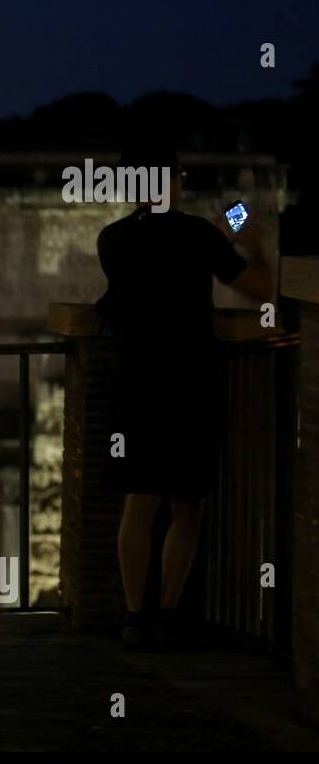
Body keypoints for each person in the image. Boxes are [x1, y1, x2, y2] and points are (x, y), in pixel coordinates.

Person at [95, 137, 273, 652]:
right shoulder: (200, 235)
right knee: (185, 505)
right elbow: (258, 285)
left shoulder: (112, 239)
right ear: (172, 180)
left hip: (136, 380)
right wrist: (252, 236)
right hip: (190, 379)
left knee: (139, 503)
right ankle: (169, 614)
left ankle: (133, 617)